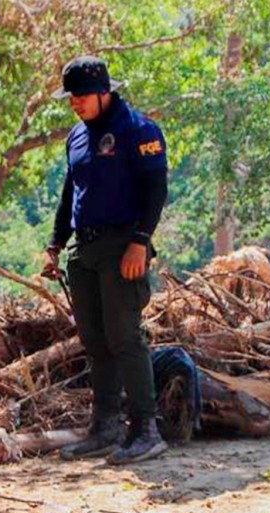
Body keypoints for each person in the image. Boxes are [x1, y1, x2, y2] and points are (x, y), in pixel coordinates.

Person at [42, 55, 169, 464]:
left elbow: (156, 190)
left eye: (79, 96)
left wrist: (140, 241)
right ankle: (106, 426)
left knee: (124, 336)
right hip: (84, 249)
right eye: (70, 97)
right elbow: (70, 194)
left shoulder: (138, 130)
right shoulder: (76, 137)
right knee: (95, 340)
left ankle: (145, 429)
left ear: (103, 92)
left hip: (122, 247)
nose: (74, 103)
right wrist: (56, 244)